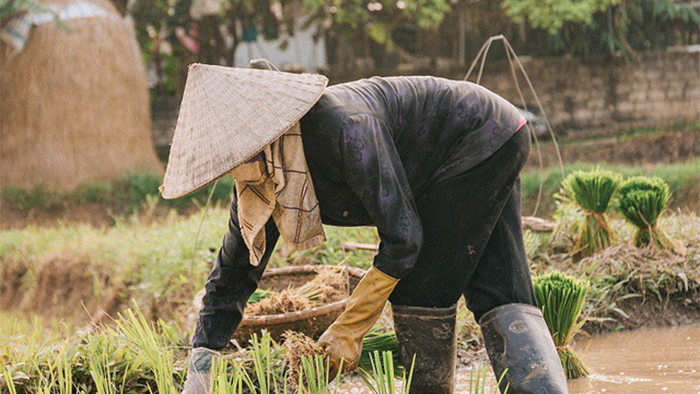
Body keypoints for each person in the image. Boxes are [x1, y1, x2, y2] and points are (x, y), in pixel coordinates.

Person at [161, 60, 568, 394]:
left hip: (476, 137)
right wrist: (201, 368)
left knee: (422, 287)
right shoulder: (261, 180)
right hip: (484, 141)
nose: (231, 168)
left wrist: (349, 329)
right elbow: (234, 271)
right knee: (498, 284)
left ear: (260, 135)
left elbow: (404, 238)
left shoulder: (342, 127)